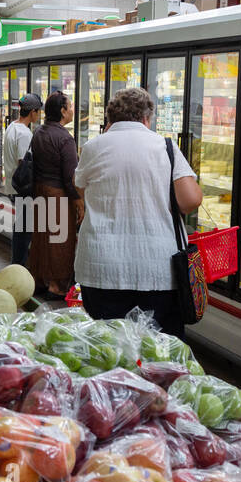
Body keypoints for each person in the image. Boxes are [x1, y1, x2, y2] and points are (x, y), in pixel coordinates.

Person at [73, 87, 203, 339]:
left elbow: (78, 185)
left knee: (108, 348)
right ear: (147, 118)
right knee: (158, 350)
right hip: (157, 271)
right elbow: (189, 201)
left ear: (109, 120)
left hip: (102, 268)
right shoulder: (165, 147)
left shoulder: (93, 147)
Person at [27, 91, 81, 297]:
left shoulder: (39, 132)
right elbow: (71, 177)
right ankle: (56, 285)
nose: (73, 110)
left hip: (39, 192)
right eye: (71, 106)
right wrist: (78, 202)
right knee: (60, 241)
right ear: (62, 111)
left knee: (42, 238)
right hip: (58, 195)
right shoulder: (65, 139)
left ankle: (40, 279)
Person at [2, 93, 40, 266]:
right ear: (32, 112)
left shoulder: (12, 126)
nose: (39, 115)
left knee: (21, 227)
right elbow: (23, 163)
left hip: (12, 185)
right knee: (24, 231)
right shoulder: (24, 133)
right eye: (38, 111)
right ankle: (19, 266)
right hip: (22, 188)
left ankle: (17, 264)